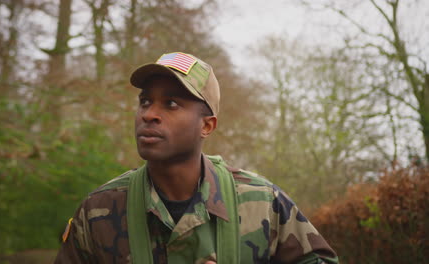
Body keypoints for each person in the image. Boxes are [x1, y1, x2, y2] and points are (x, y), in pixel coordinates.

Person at [54, 52, 339, 264]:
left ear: (207, 125)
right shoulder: (98, 212)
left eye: (171, 103)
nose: (149, 113)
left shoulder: (262, 203)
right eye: (145, 101)